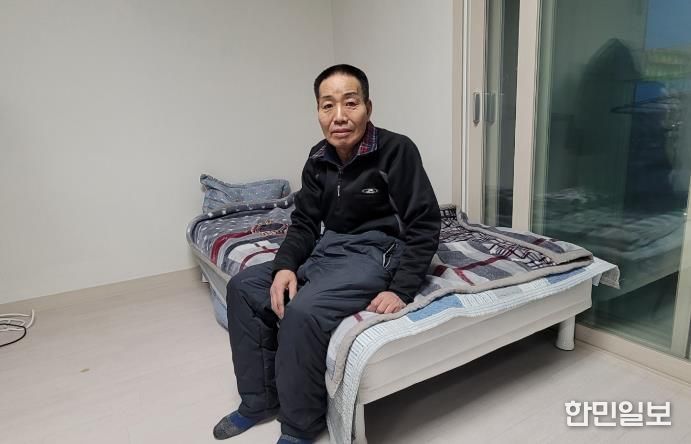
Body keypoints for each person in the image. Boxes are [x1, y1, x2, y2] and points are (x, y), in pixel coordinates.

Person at [213, 64, 441, 443]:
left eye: (350, 103)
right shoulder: (318, 158)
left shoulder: (396, 151)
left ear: (368, 107)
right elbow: (304, 222)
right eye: (327, 105)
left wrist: (401, 289)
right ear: (318, 111)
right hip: (328, 249)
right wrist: (286, 266)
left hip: (375, 253)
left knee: (303, 312)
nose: (339, 116)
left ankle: (299, 428)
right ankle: (259, 401)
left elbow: (424, 222)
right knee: (244, 288)